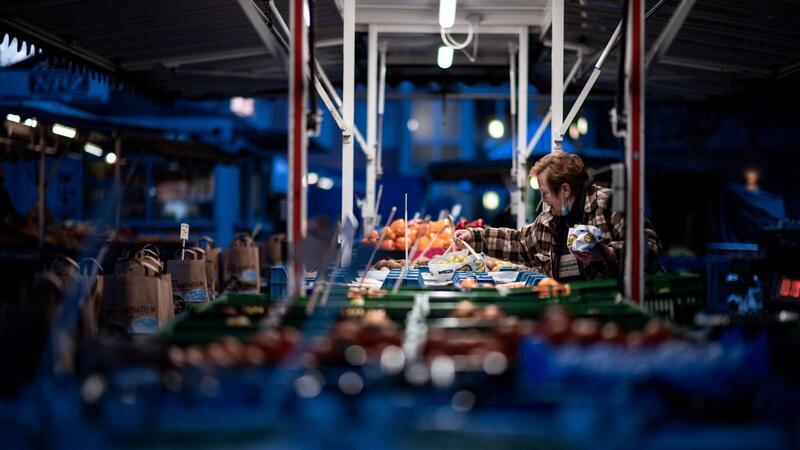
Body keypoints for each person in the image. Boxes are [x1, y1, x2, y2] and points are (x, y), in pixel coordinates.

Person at [454, 152, 662, 281]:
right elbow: (518, 242)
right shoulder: (549, 221)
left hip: (614, 307)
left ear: (564, 190)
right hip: (569, 310)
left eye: (544, 193)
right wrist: (475, 237)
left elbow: (650, 245)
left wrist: (608, 253)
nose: (543, 201)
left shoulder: (610, 203)